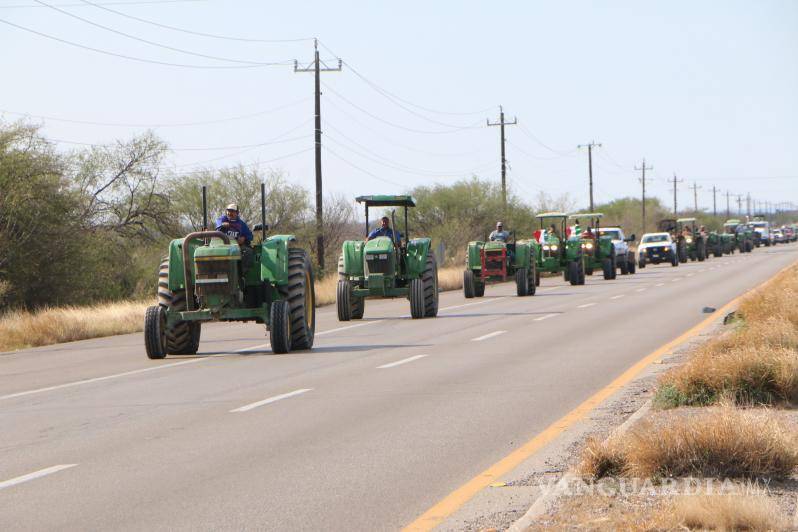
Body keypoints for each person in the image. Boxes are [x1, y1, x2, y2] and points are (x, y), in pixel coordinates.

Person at [215, 203, 254, 275]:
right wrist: (222, 225)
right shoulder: (222, 219)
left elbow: (250, 236)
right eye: (228, 211)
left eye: (232, 211)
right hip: (222, 246)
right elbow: (218, 224)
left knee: (248, 252)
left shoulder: (241, 224)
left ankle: (242, 274)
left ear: (237, 213)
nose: (230, 213)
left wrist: (244, 238)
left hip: (237, 247)